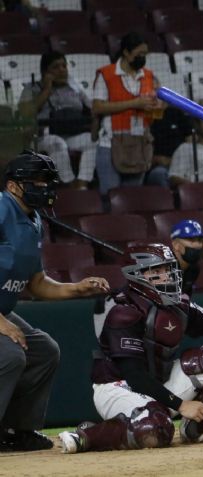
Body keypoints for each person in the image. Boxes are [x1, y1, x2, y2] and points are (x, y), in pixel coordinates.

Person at [57, 243, 203, 453]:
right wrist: (182, 405)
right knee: (156, 430)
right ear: (137, 275)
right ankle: (87, 436)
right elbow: (134, 375)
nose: (167, 275)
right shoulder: (122, 310)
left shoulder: (177, 303)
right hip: (118, 387)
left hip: (158, 381)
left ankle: (198, 428)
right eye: (157, 271)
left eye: (168, 268)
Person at [0, 152, 109, 452]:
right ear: (13, 186)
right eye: (37, 181)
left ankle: (17, 431)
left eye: (48, 181)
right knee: (10, 355)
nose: (46, 188)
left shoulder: (34, 219)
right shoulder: (0, 209)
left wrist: (76, 289)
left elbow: (36, 283)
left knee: (44, 350)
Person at [92, 32, 164, 198]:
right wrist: (135, 103)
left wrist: (159, 104)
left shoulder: (149, 75)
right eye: (139, 54)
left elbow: (160, 99)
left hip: (139, 142)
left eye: (145, 54)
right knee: (111, 196)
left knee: (132, 198)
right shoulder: (106, 74)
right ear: (126, 52)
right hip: (110, 143)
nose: (143, 58)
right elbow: (97, 107)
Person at [19, 51, 96, 190]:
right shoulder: (31, 88)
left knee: (93, 141)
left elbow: (92, 107)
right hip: (43, 137)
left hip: (71, 133)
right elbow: (25, 113)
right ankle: (70, 185)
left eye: (64, 66)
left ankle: (82, 185)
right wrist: (47, 89)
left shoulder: (74, 86)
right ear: (45, 72)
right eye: (56, 67)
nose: (62, 70)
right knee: (57, 144)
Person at [147, 105, 192, 188]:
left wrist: (177, 162)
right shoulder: (145, 115)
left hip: (181, 165)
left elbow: (190, 140)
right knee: (159, 174)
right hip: (160, 167)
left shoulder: (176, 113)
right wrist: (156, 159)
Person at [170, 219, 203, 296]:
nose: (197, 245)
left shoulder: (194, 269)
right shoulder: (163, 268)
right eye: (191, 240)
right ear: (176, 245)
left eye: (200, 240)